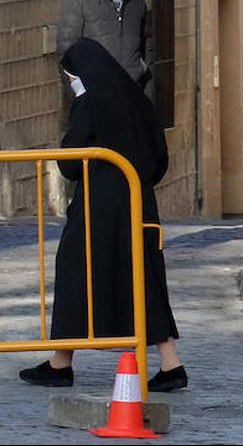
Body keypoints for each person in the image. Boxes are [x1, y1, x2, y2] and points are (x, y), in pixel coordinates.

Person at [19, 37, 187, 392]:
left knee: (76, 272)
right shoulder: (137, 99)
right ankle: (171, 364)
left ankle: (60, 363)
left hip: (100, 202)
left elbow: (70, 162)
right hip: (139, 199)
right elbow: (159, 158)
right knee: (143, 277)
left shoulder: (89, 103)